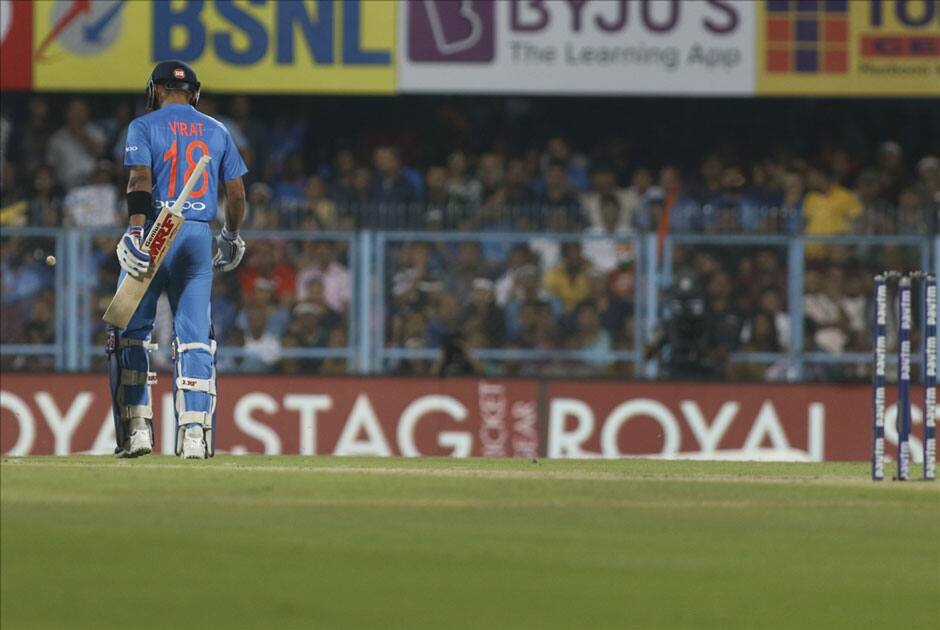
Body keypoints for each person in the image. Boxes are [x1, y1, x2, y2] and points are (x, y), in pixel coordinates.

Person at [110, 60, 247, 459]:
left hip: (156, 228)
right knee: (195, 338)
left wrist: (136, 232)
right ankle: (193, 435)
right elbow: (236, 195)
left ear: (155, 90)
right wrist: (232, 235)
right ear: (195, 93)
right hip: (197, 233)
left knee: (133, 332)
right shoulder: (218, 130)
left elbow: (139, 180)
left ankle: (137, 430)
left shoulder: (143, 126)